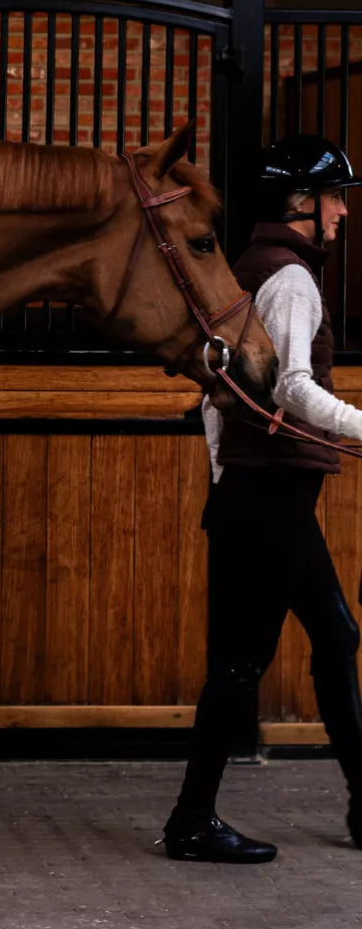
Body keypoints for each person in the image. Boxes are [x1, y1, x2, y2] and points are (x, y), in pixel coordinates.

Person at [163, 134, 362, 863]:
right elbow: (293, 389)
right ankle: (190, 819)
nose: (344, 212)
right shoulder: (290, 282)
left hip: (264, 495)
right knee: (240, 664)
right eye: (336, 197)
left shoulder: (251, 270)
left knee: (336, 635)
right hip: (267, 498)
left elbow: (218, 399)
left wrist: (224, 471)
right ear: (301, 203)